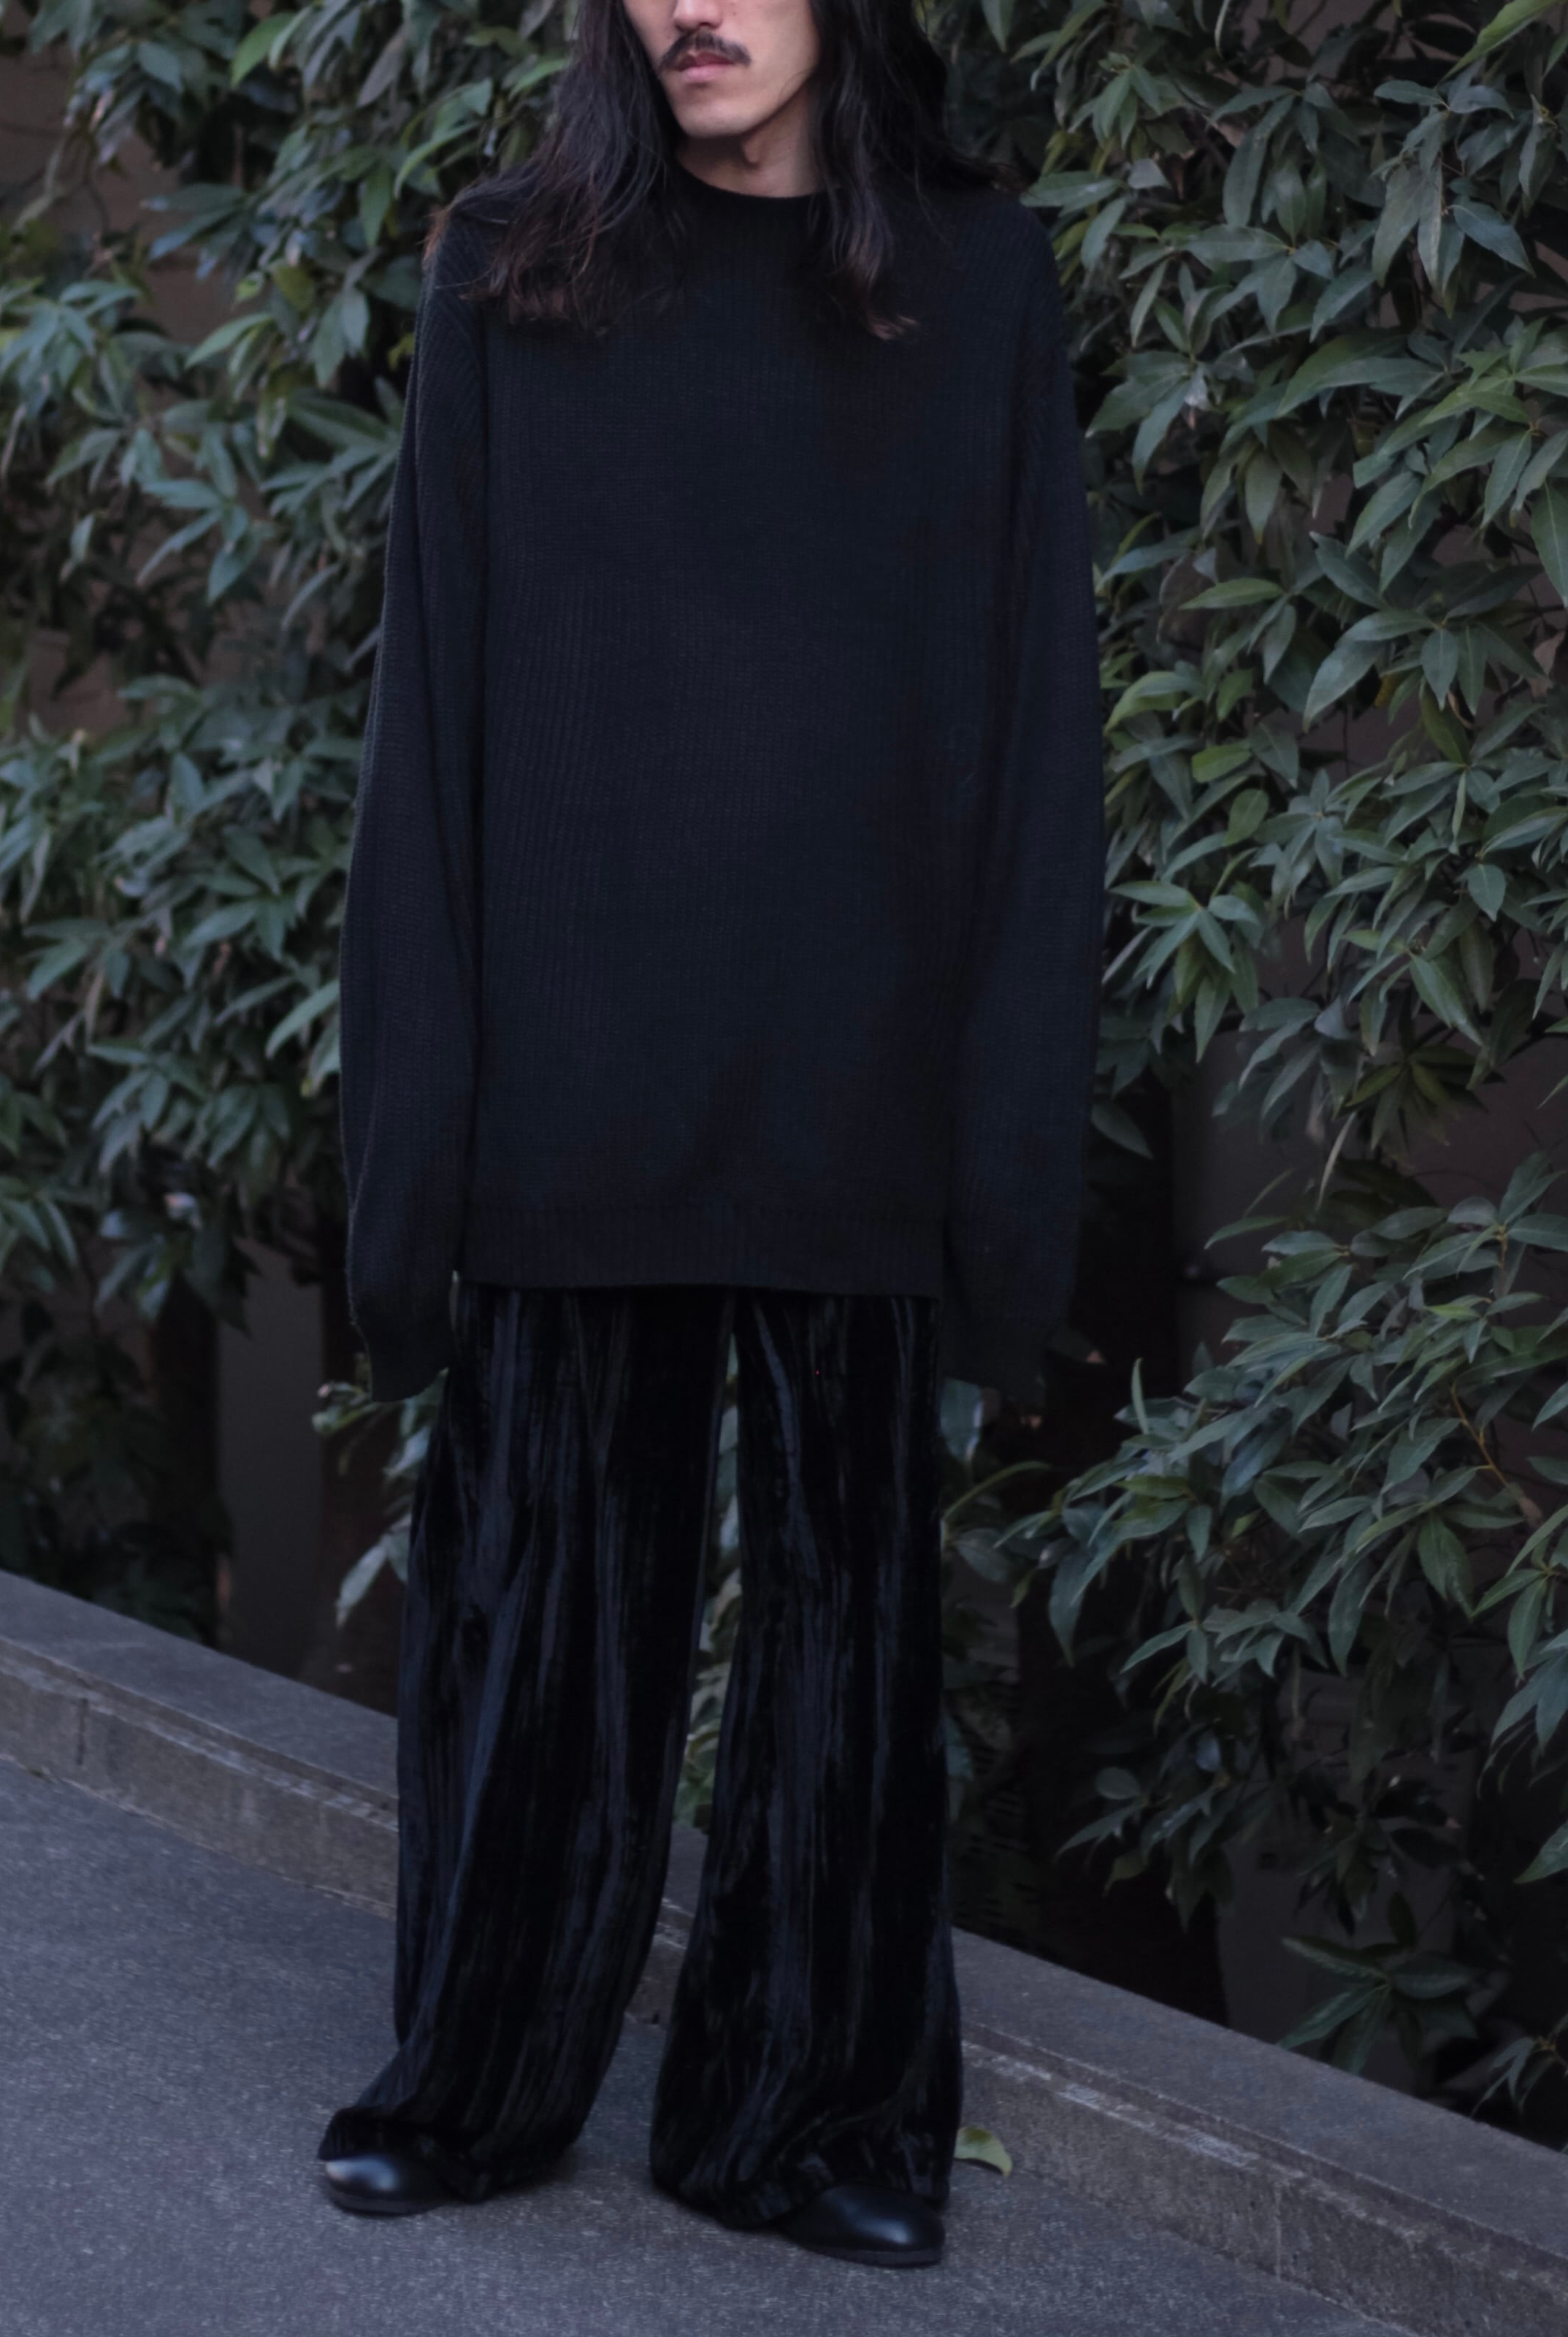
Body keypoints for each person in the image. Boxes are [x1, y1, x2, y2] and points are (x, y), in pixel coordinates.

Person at [317, 0, 1103, 2274]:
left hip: (856, 1056)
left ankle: (812, 2113)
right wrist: (417, 1142)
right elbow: (427, 727)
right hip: (578, 1052)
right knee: (544, 1601)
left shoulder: (975, 287)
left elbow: (1036, 729)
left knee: (851, 1633)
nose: (694, 9)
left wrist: (1003, 1151)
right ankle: (476, 2073)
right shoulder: (511, 272)